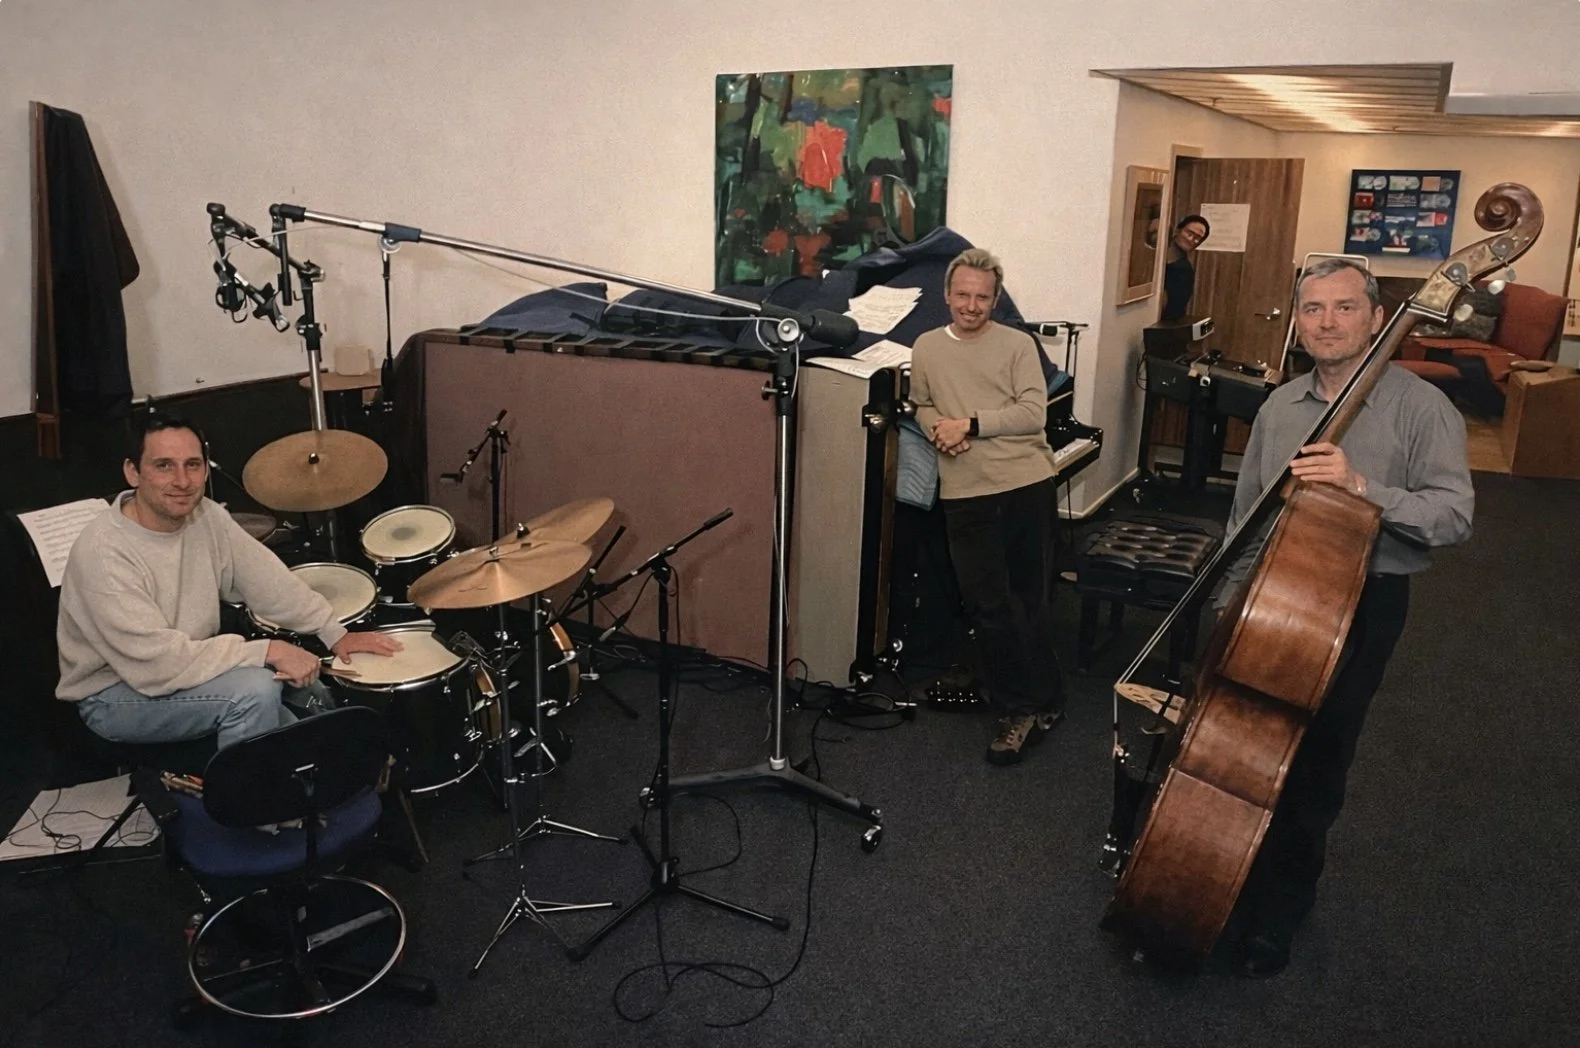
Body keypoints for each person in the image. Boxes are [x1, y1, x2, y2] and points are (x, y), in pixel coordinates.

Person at [1217, 257, 1474, 977]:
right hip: (1272, 590)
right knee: (1247, 742)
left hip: (1361, 600)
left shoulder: (1420, 408)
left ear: (1374, 316)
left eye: (1343, 308)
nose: (1327, 322)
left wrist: (1363, 487)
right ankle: (1229, 874)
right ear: (1297, 324)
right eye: (1313, 310)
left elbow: (1454, 516)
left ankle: (1282, 910)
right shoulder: (1279, 407)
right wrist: (1224, 602)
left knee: (1316, 757)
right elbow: (1245, 516)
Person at [56, 412, 401, 750]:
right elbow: (157, 665)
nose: (181, 480)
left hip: (184, 665)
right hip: (115, 694)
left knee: (312, 696)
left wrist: (334, 633)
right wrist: (269, 650)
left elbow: (267, 581)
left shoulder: (205, 515)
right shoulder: (104, 553)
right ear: (133, 472)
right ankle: (250, 802)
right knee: (255, 690)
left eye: (192, 465)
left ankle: (323, 775)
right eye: (164, 466)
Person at [909, 248, 1065, 765]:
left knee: (1028, 601)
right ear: (946, 296)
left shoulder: (1017, 345)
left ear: (995, 299)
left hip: (1024, 485)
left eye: (982, 297)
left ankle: (1032, 704)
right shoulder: (927, 346)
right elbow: (922, 401)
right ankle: (1024, 697)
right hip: (966, 491)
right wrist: (939, 427)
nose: (971, 306)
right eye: (962, 295)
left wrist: (969, 425)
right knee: (987, 606)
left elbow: (1032, 413)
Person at [1160, 214, 1210, 321]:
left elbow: (1174, 309)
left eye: (1198, 238)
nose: (1192, 240)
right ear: (1178, 230)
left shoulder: (1184, 271)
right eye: (1190, 233)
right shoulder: (1157, 252)